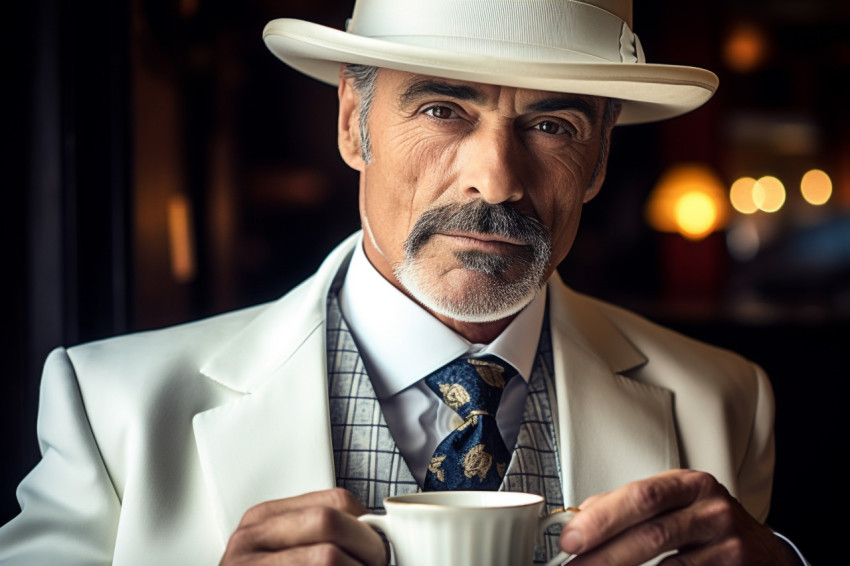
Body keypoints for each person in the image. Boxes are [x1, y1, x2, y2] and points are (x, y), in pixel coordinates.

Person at [0, 1, 809, 565]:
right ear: (353, 120)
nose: (495, 182)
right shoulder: (112, 407)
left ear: (598, 160)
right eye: (443, 110)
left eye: (551, 125)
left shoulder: (725, 400)